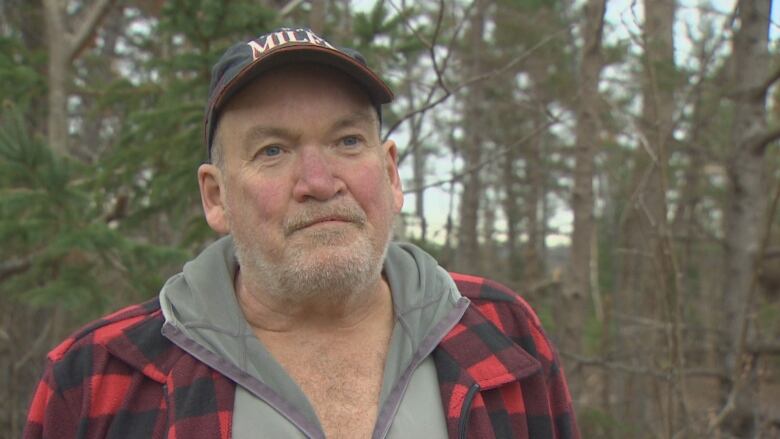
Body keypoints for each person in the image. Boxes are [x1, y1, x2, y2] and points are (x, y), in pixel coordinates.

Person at [24, 27, 578, 439]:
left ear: (390, 173)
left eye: (347, 142)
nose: (319, 182)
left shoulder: (502, 336)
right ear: (216, 197)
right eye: (273, 150)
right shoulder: (98, 380)